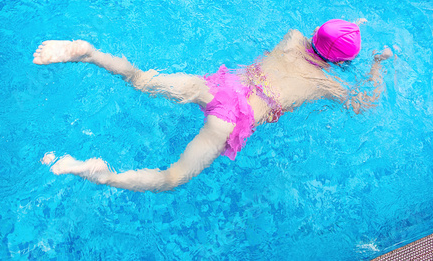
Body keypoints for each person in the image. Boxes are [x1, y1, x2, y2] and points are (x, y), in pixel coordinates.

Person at [34, 19, 392, 192]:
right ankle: (102, 173)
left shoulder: (293, 38)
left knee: (142, 79)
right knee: (171, 178)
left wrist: (348, 27)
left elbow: (324, 40)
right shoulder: (328, 83)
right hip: (234, 117)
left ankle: (91, 54)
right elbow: (365, 102)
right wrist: (377, 64)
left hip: (222, 85)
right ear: (343, 63)